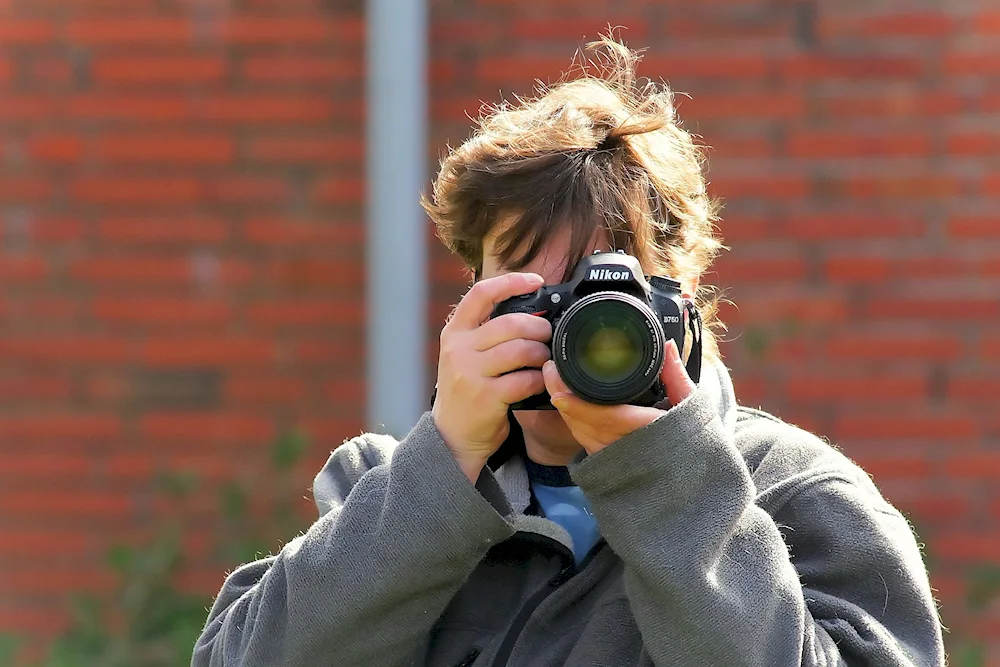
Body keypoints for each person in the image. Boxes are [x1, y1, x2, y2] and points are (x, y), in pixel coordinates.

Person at [192, 36, 945, 667]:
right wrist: (441, 473)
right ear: (470, 302)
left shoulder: (800, 497)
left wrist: (668, 482)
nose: (565, 336)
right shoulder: (383, 489)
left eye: (602, 304)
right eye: (531, 297)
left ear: (679, 306)